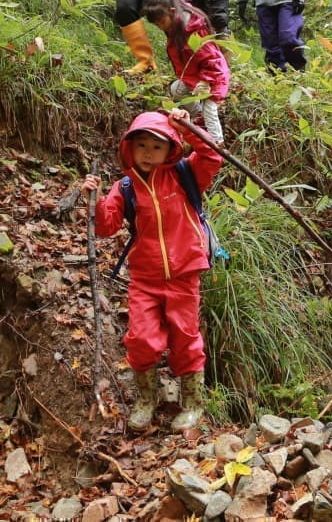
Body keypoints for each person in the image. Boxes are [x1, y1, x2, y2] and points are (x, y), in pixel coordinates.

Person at [80, 108, 222, 433]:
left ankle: (193, 404)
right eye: (141, 145)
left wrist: (185, 127)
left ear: (170, 148)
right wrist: (97, 199)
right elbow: (106, 226)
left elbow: (212, 155)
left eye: (157, 146)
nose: (148, 153)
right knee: (142, 340)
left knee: (186, 339)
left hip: (185, 274)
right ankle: (146, 400)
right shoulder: (126, 187)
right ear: (129, 148)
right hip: (144, 279)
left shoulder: (185, 175)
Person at [142, 0, 231, 143]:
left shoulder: (194, 32)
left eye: (161, 22)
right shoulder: (176, 24)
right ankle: (199, 118)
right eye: (156, 24)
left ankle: (217, 145)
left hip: (213, 77)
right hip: (194, 76)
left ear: (172, 12)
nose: (160, 26)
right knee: (177, 90)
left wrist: (206, 81)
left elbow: (212, 59)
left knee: (210, 109)